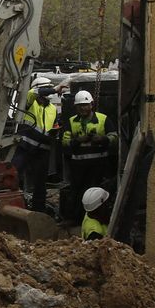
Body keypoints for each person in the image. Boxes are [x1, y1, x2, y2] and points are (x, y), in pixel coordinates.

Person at [60, 89, 115, 224]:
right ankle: (74, 219)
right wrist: (78, 140)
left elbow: (115, 137)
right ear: (76, 107)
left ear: (91, 104)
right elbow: (64, 142)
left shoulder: (103, 119)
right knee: (76, 192)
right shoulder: (72, 121)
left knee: (95, 191)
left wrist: (102, 139)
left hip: (98, 164)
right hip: (78, 165)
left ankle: (95, 219)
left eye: (85, 105)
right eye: (80, 106)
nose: (83, 108)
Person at [12, 77, 60, 214]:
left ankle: (38, 209)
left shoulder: (52, 108)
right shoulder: (29, 102)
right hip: (25, 148)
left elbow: (54, 125)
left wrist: (55, 131)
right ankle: (14, 205)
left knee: (40, 183)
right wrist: (56, 88)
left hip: (43, 150)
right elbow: (32, 93)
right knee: (15, 175)